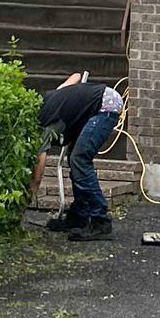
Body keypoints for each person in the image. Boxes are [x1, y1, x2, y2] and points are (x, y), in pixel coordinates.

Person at [35, 70, 124, 240]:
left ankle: (100, 220)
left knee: (79, 159)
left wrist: (30, 195)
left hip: (105, 106)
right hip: (100, 101)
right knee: (75, 159)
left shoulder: (44, 122)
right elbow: (76, 76)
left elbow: (38, 170)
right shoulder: (50, 97)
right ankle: (79, 216)